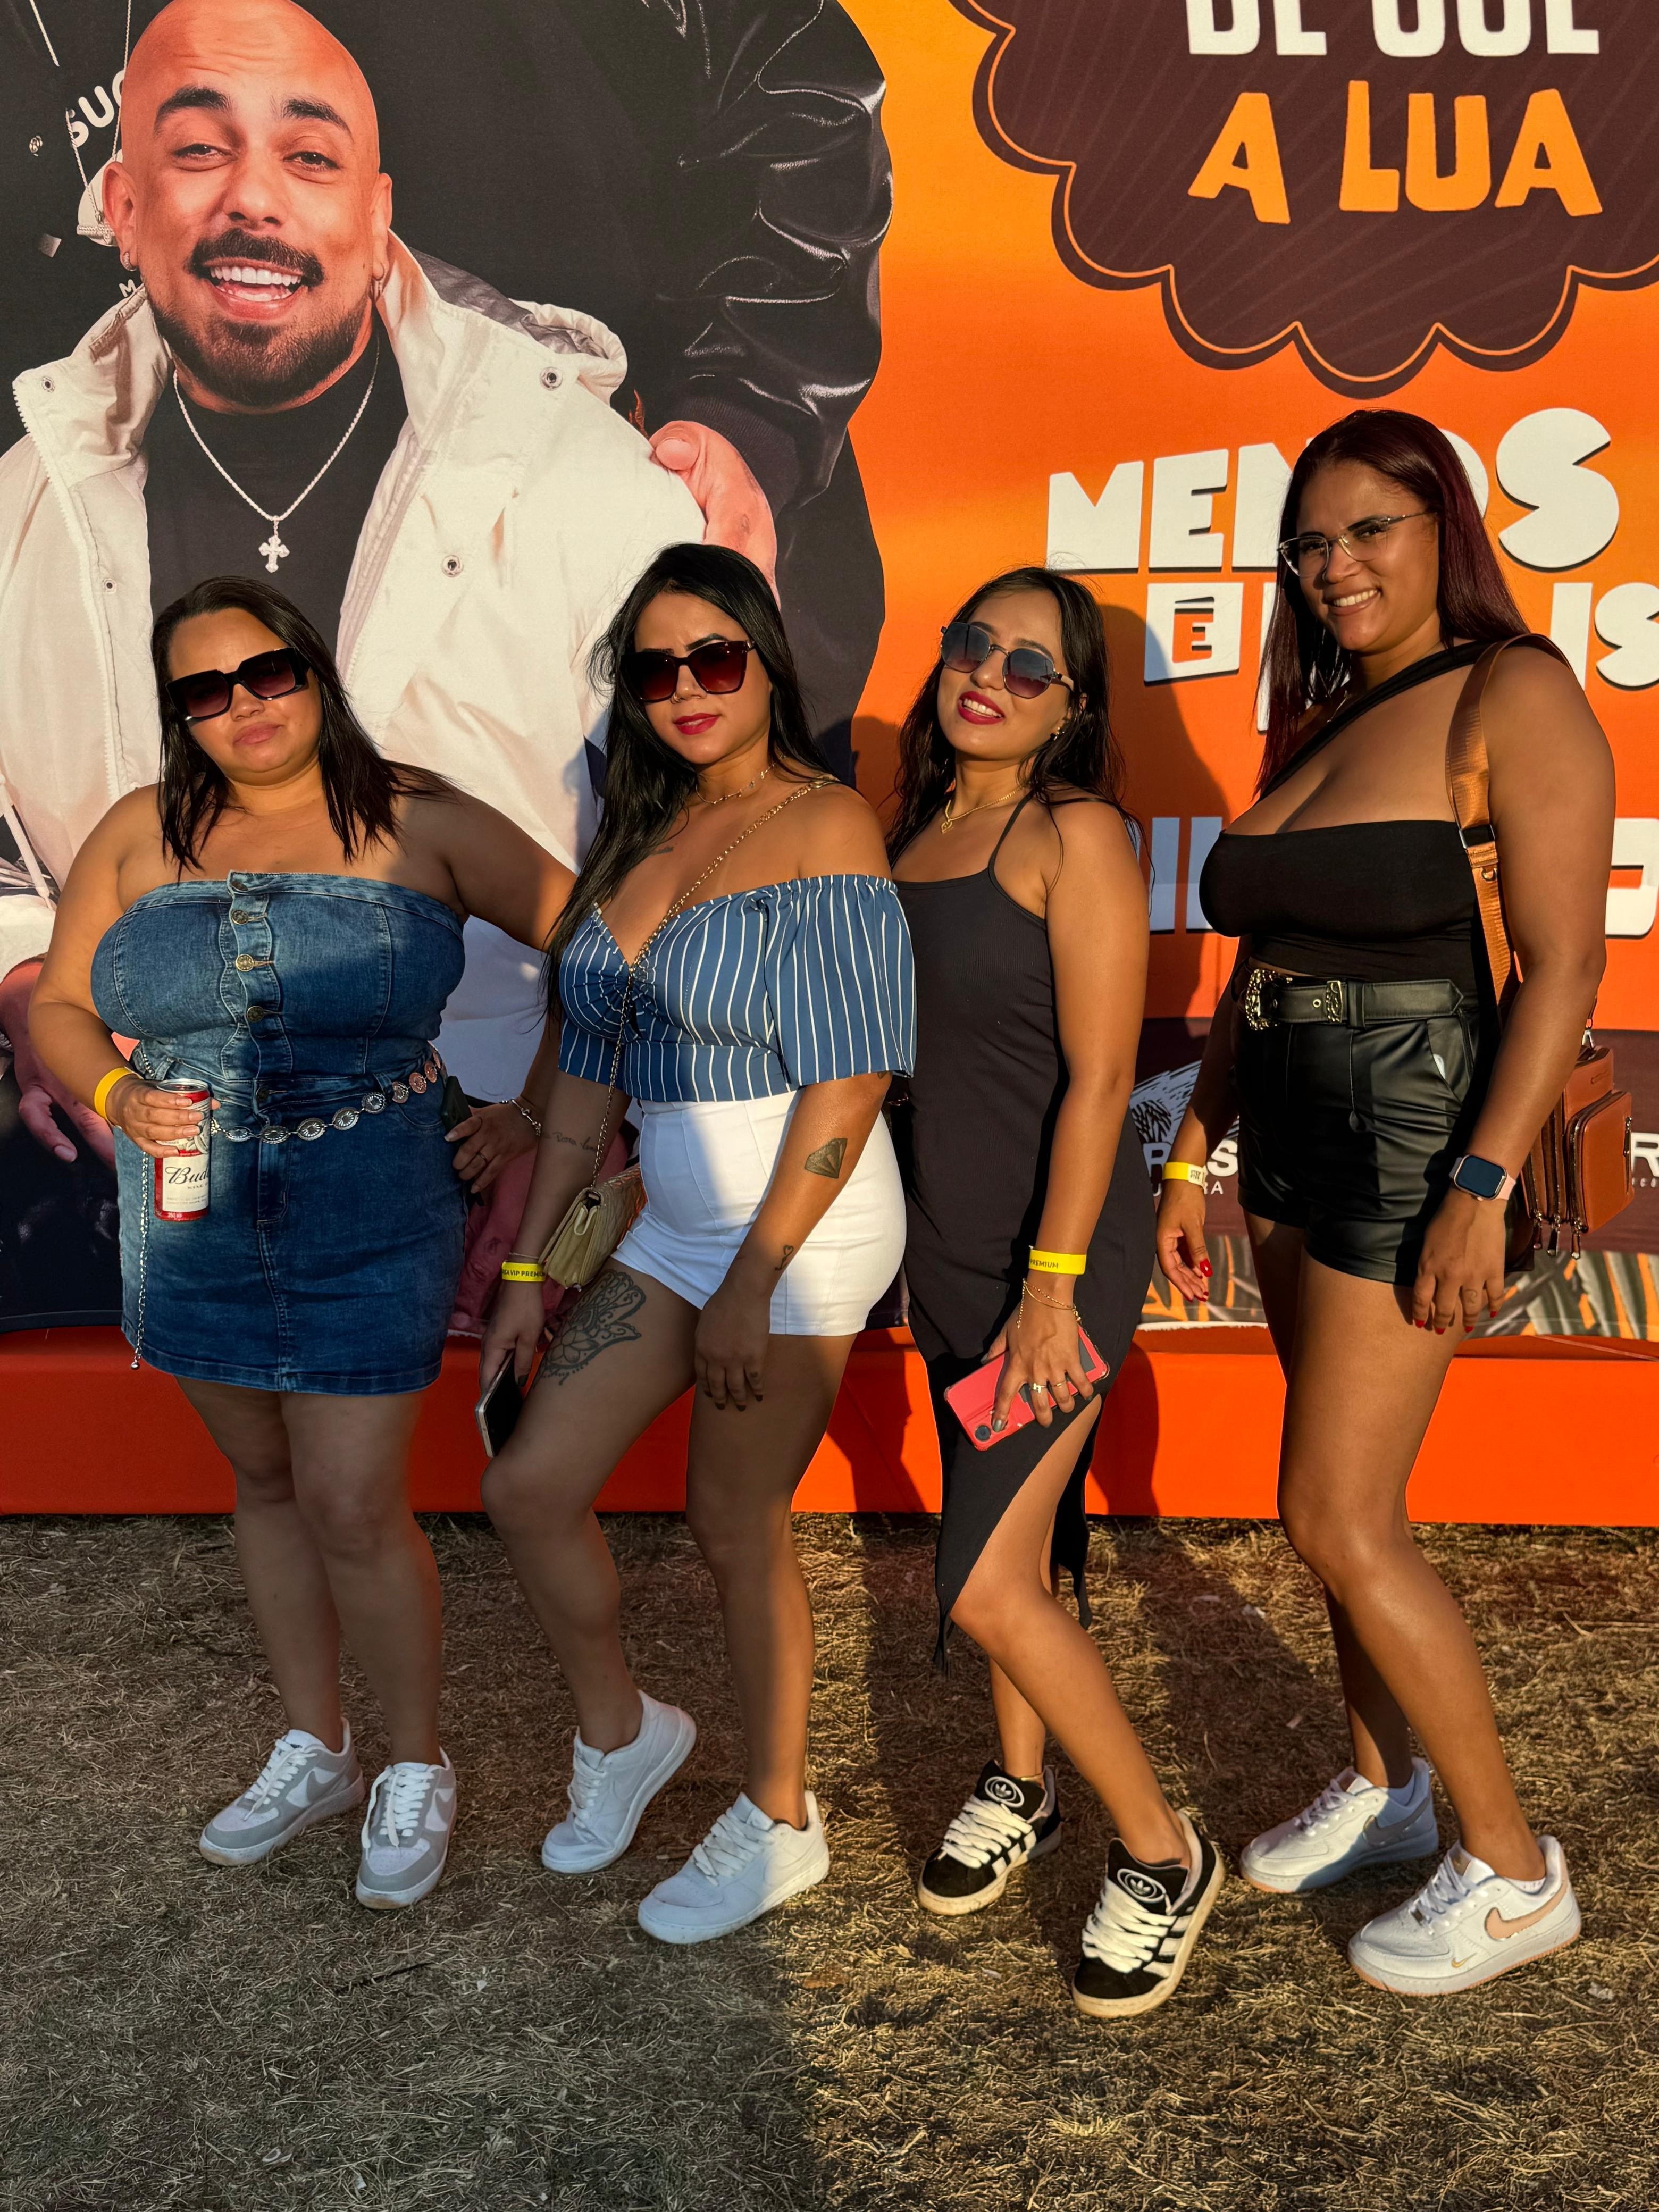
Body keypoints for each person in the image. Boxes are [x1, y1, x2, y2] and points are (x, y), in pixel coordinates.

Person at [0, 0, 711, 1257]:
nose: (253, 198)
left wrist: (565, 1126)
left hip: (481, 1212)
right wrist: (32, 991)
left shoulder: (591, 490)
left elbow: (699, 864)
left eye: (310, 155)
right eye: (199, 149)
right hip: (145, 1216)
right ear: (121, 205)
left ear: (380, 219)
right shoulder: (24, 507)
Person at [29, 574, 572, 1910]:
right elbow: (58, 1005)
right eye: (204, 691)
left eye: (267, 672)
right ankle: (317, 1747)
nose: (245, 706)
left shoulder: (423, 818)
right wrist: (114, 1092)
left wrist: (532, 1112)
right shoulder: (137, 830)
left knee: (349, 1500)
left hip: (373, 1210)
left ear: (315, 671)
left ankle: (416, 1762)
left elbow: (601, 955)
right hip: (192, 1218)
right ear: (178, 714)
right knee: (265, 1484)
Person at [1162, 408, 1614, 1996]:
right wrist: (1194, 1151)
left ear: (1444, 533)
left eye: (1369, 529)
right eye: (1310, 542)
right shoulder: (1324, 715)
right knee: (1342, 1500)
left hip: (1419, 1139)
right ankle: (1384, 1784)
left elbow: (1565, 966)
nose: (1335, 564)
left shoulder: (1515, 691)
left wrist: (1483, 1183)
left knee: (1333, 1514)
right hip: (1287, 1135)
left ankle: (1512, 1870)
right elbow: (1262, 968)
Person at [479, 543, 912, 1946]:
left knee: (734, 1524)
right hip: (672, 1225)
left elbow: (851, 1078)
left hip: (802, 1227)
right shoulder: (639, 837)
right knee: (529, 1486)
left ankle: (781, 1817)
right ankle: (625, 1734)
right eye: (655, 668)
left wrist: (755, 1279)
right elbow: (583, 1089)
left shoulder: (826, 822)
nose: (686, 689)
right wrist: (529, 1272)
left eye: (714, 657)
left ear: (767, 664)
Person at [887, 566, 1224, 2021]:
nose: (991, 676)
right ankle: (1021, 1787)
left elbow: (1101, 1081)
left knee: (979, 1583)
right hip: (947, 1251)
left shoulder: (1071, 832)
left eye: (1032, 665)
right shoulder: (909, 837)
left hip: (1056, 1265)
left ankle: (1164, 1854)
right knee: (1013, 1557)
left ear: (1073, 708)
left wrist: (1053, 1286)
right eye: (976, 645)